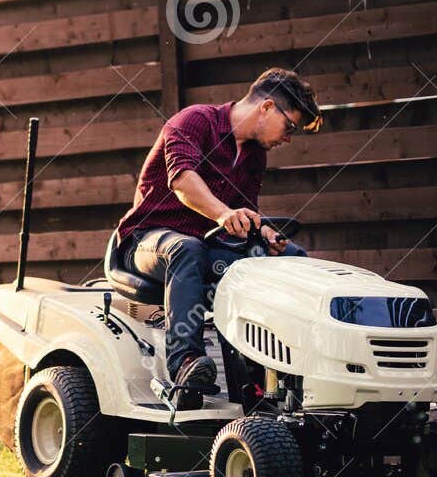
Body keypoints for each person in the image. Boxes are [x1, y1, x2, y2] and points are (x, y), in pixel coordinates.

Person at [109, 68, 324, 395]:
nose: (288, 138)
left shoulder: (254, 156)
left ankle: (275, 377)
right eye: (289, 126)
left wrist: (262, 231)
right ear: (266, 108)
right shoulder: (194, 121)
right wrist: (223, 214)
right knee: (185, 249)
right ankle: (185, 361)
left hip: (207, 243)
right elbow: (181, 179)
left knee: (293, 259)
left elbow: (245, 211)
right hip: (147, 242)